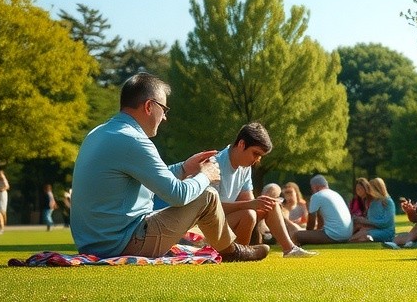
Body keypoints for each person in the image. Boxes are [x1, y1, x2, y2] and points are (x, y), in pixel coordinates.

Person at [70, 73, 269, 262]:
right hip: (122, 244)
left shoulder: (100, 133)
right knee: (207, 196)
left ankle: (230, 248)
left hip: (92, 244)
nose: (164, 117)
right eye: (164, 110)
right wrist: (205, 175)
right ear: (149, 106)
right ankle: (232, 251)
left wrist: (184, 168)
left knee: (201, 194)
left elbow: (153, 183)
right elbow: (177, 195)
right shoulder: (134, 140)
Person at [199, 123, 317, 259]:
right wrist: (250, 205)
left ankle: (289, 249)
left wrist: (261, 203)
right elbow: (209, 209)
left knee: (269, 205)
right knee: (248, 214)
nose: (257, 160)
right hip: (208, 227)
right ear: (241, 144)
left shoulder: (244, 167)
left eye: (260, 156)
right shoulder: (214, 164)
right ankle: (237, 255)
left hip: (225, 221)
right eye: (255, 153)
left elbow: (248, 201)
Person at [287, 175, 353, 246]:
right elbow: (320, 219)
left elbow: (311, 222)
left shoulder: (317, 196)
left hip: (334, 235)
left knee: (297, 235)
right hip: (348, 235)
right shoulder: (336, 194)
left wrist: (307, 235)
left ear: (315, 186)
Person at [350, 177, 396, 243]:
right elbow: (371, 218)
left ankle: (363, 239)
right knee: (357, 228)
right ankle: (346, 238)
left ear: (377, 189)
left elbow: (386, 223)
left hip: (385, 231)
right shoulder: (373, 202)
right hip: (373, 229)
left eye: (370, 188)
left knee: (363, 235)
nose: (369, 191)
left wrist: (367, 222)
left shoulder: (387, 202)